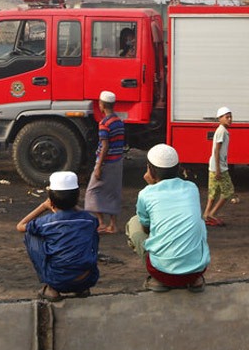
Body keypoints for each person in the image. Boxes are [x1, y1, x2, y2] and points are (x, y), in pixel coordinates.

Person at [126, 144, 210, 293]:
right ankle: (195, 280)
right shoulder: (192, 188)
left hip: (161, 272)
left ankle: (158, 280)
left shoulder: (145, 194)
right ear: (177, 168)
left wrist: (151, 185)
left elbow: (146, 229)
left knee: (134, 223)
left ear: (149, 170)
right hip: (196, 271)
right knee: (199, 223)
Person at [17, 171, 99, 302]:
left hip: (58, 280)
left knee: (30, 235)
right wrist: (73, 206)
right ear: (77, 199)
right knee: (90, 233)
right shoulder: (89, 220)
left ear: (51, 201)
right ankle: (81, 289)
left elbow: (20, 226)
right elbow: (91, 218)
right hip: (87, 279)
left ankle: (51, 289)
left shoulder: (46, 222)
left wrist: (43, 206)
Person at [84, 90, 125, 234]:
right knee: (113, 192)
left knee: (92, 191)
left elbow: (105, 146)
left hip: (106, 162)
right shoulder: (119, 122)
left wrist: (98, 167)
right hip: (117, 161)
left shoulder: (104, 123)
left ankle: (101, 223)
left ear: (102, 105)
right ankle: (113, 225)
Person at [203, 106, 239, 227]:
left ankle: (206, 214)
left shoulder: (222, 131)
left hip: (214, 167)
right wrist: (218, 169)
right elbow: (216, 151)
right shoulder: (222, 131)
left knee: (213, 193)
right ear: (220, 119)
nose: (229, 119)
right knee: (228, 192)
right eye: (227, 117)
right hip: (219, 168)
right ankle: (212, 214)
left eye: (230, 117)